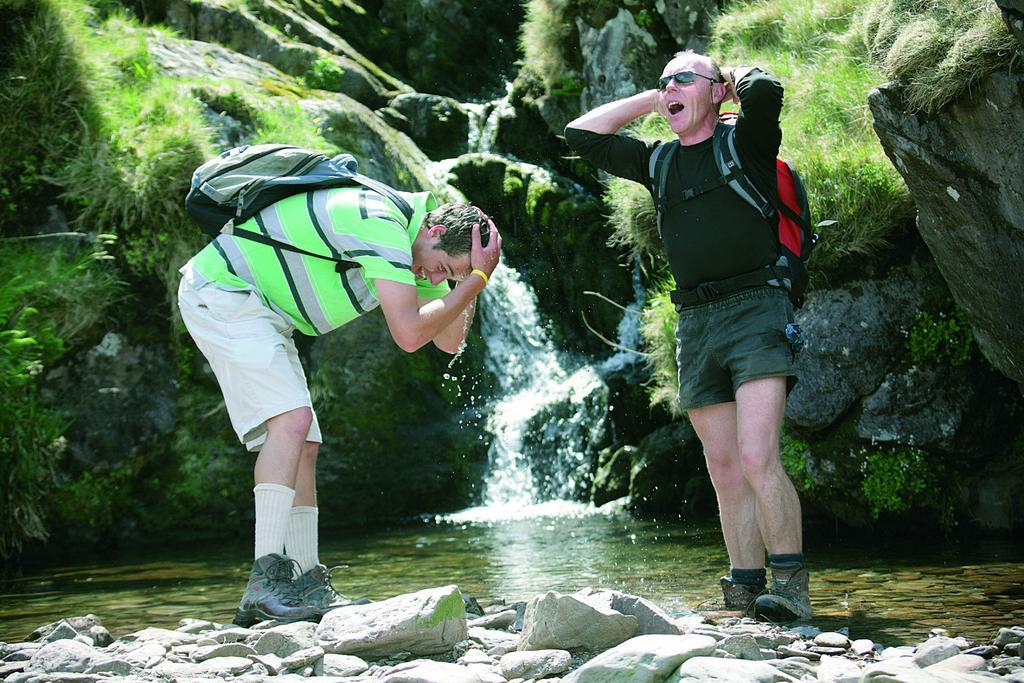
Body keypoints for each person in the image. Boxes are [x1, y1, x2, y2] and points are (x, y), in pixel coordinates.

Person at [177, 183, 502, 627]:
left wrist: (470, 281)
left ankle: (307, 581)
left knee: (304, 441)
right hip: (224, 291)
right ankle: (263, 583)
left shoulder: (418, 244)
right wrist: (476, 279)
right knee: (291, 422)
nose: (432, 279)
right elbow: (410, 335)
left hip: (262, 312)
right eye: (442, 267)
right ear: (436, 230)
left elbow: (449, 340)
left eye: (448, 276)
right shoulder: (381, 223)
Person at [563, 50, 810, 621]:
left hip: (758, 309)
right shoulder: (658, 162)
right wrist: (657, 99)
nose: (669, 87)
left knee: (756, 455)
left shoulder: (745, 145)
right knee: (724, 467)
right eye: (662, 80)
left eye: (682, 79)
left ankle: (792, 588)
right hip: (695, 322)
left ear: (717, 91)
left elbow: (767, 88)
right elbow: (582, 134)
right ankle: (747, 589)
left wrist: (730, 80)